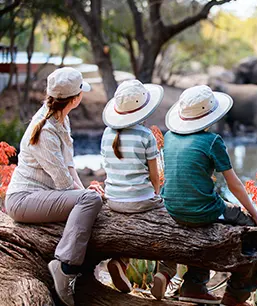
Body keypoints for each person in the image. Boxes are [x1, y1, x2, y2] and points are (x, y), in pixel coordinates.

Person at [4, 67, 104, 306]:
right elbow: (62, 183)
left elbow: (69, 167)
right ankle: (65, 267)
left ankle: (79, 272)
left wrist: (86, 189)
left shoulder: (61, 118)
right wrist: (86, 196)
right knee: (91, 201)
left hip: (42, 196)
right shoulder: (45, 130)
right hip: (23, 200)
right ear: (76, 98)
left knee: (91, 198)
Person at [162, 85, 257, 306]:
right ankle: (236, 295)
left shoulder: (169, 136)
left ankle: (194, 285)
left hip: (171, 208)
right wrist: (255, 215)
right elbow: (234, 184)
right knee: (252, 234)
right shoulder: (212, 141)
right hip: (202, 211)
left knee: (202, 219)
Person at [101, 80, 175, 300]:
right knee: (171, 229)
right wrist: (156, 196)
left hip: (113, 199)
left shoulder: (106, 134)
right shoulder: (145, 136)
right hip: (142, 200)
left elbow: (108, 168)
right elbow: (154, 176)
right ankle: (164, 273)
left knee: (128, 228)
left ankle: (120, 261)